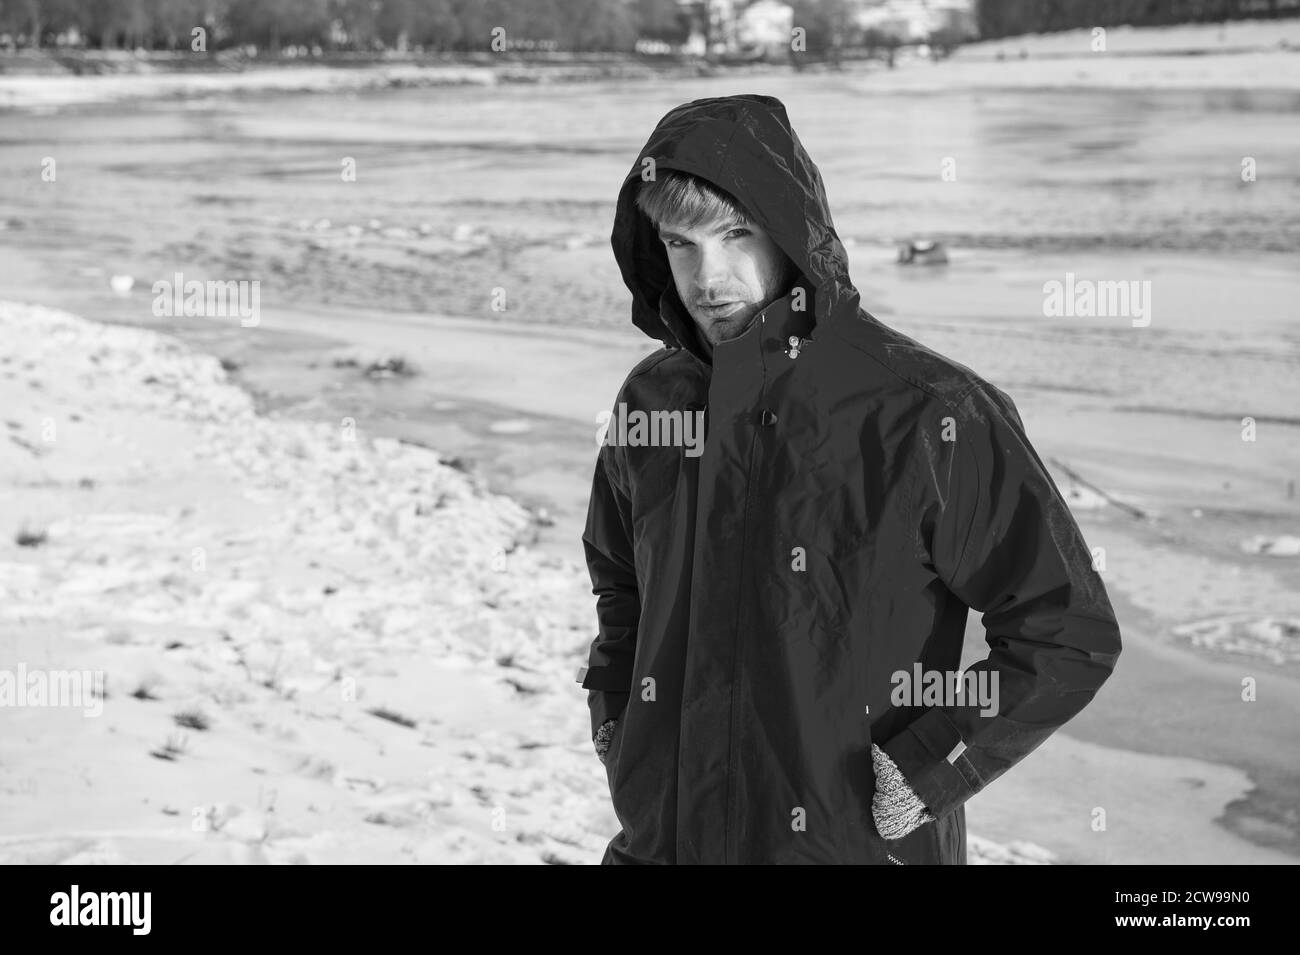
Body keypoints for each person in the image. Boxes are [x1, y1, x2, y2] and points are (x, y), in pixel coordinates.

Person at [577, 94, 1122, 865]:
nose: (710, 276)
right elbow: (620, 585)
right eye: (680, 242)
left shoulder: (930, 414)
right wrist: (617, 723)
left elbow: (1067, 630)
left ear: (791, 231)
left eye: (737, 234)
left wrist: (927, 767)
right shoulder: (653, 402)